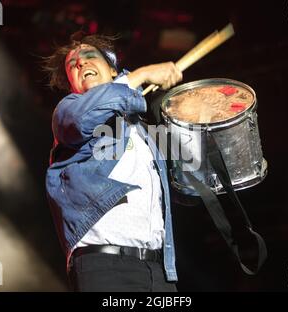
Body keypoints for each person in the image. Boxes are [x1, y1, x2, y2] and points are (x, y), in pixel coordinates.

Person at [43, 31, 183, 292]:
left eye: (88, 56)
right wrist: (140, 76)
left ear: (111, 70)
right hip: (105, 266)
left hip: (159, 270)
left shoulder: (143, 131)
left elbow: (182, 191)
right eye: (72, 64)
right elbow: (82, 118)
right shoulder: (69, 110)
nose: (80, 63)